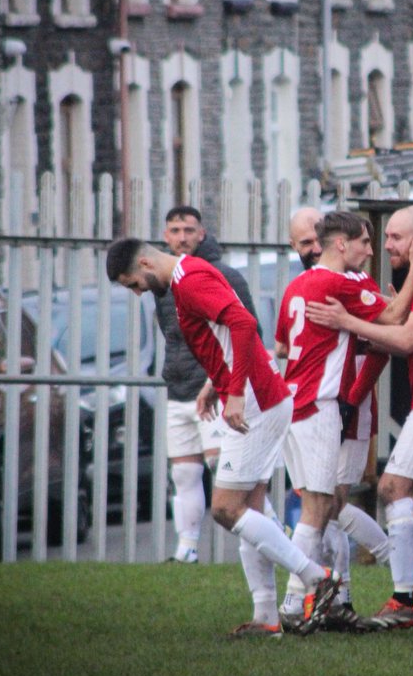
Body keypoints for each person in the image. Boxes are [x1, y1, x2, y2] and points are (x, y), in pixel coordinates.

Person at [106, 238, 338, 638]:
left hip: (255, 400)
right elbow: (225, 336)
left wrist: (234, 391)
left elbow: (244, 323)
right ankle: (267, 617)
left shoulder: (189, 279)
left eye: (133, 284)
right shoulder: (186, 278)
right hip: (258, 395)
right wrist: (217, 382)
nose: (138, 292)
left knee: (226, 509)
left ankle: (315, 576)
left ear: (145, 262)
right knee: (249, 508)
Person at [305, 205, 413, 630]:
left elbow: (394, 337)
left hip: (359, 408)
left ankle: (382, 590)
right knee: (331, 503)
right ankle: (348, 594)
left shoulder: (362, 285)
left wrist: (351, 397)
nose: (379, 247)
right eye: (373, 240)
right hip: (331, 407)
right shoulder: (314, 285)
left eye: (389, 238)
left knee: (343, 499)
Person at [284, 206, 395, 632]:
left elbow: (281, 344)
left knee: (328, 504)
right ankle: (297, 601)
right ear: (342, 244)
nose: (372, 250)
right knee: (320, 507)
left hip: (299, 403)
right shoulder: (341, 284)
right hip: (321, 405)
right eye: (366, 242)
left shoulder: (299, 285)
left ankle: (332, 597)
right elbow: (393, 320)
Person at [155, 206, 261, 563]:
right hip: (178, 388)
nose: (182, 237)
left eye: (188, 229)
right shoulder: (163, 282)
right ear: (165, 236)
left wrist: (226, 384)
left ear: (202, 234)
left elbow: (249, 330)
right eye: (174, 230)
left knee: (229, 470)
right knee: (183, 472)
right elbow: (173, 335)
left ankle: (267, 534)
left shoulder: (224, 275)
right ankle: (186, 551)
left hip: (214, 389)